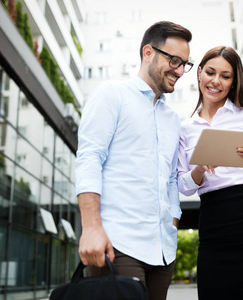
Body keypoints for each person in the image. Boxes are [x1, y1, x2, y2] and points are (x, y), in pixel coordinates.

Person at [75, 21, 193, 300]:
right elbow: (89, 158)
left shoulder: (172, 119)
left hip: (163, 252)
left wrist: (172, 226)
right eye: (173, 60)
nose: (179, 70)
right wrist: (91, 228)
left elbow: (171, 181)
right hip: (119, 247)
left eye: (185, 64)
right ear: (148, 52)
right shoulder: (111, 94)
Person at [178, 46, 243, 299]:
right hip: (214, 229)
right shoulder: (185, 128)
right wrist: (200, 168)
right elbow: (183, 186)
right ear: (199, 73)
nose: (216, 81)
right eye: (211, 72)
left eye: (225, 76)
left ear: (234, 81)